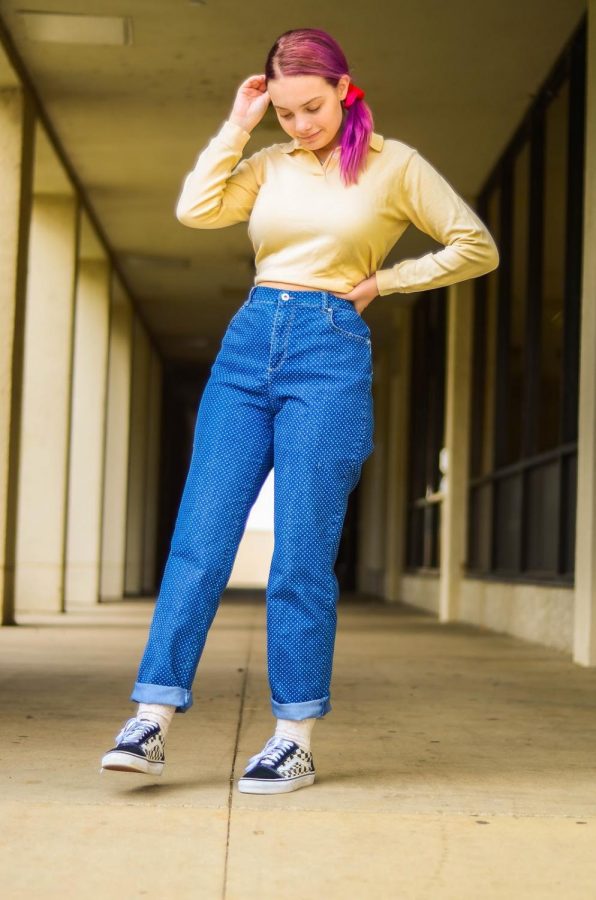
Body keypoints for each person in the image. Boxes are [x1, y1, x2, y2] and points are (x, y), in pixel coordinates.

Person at [100, 27, 499, 793]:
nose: (301, 125)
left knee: (301, 556)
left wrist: (387, 282)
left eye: (310, 108)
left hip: (329, 346)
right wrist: (239, 126)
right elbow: (196, 209)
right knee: (200, 539)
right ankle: (151, 718)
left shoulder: (395, 165)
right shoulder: (270, 162)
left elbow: (474, 245)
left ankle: (294, 736)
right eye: (285, 113)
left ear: (345, 88)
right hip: (249, 342)